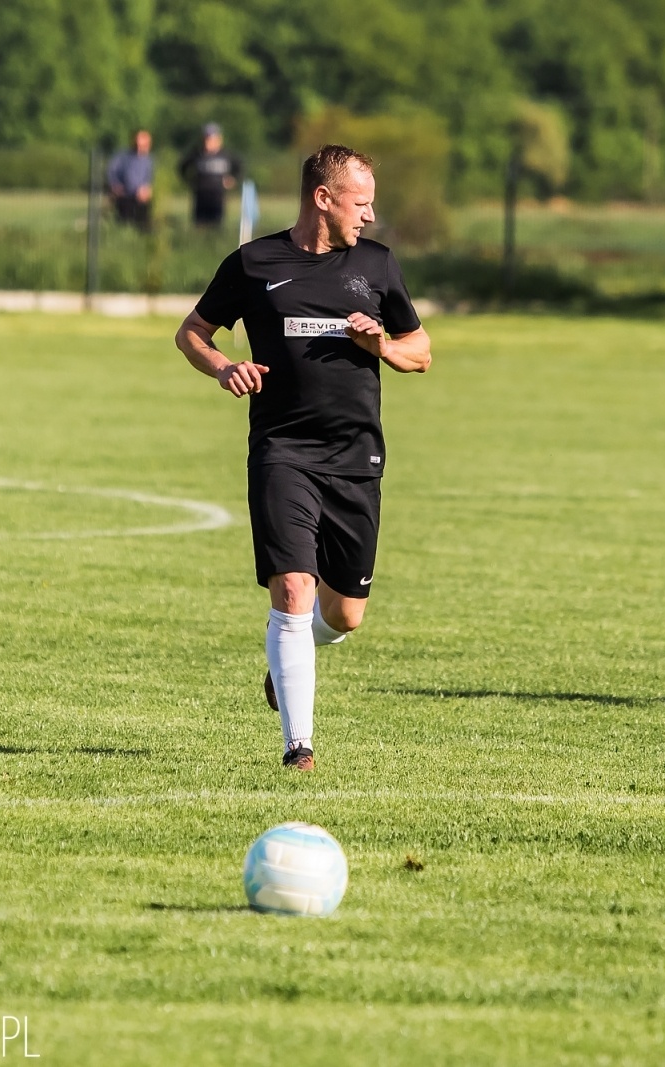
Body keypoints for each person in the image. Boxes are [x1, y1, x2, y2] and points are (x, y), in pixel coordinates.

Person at [173, 145, 432, 771]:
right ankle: (299, 747)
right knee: (292, 588)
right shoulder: (254, 263)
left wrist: (382, 347)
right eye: (361, 203)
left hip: (356, 458)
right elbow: (192, 332)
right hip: (281, 452)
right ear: (324, 198)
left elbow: (420, 349)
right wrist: (224, 368)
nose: (369, 216)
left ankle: (290, 659)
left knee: (344, 614)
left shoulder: (376, 265)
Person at [178, 123, 242, 229]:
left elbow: (239, 167)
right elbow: (182, 167)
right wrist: (191, 181)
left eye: (212, 139)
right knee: (200, 225)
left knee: (216, 225)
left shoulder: (226, 155)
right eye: (207, 139)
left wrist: (232, 179)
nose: (209, 142)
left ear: (219, 139)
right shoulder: (197, 154)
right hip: (201, 195)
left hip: (217, 196)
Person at [107, 129, 155, 230]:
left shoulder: (149, 161)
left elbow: (148, 178)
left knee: (143, 221)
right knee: (124, 222)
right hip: (124, 194)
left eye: (144, 145)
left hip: (140, 197)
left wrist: (146, 188)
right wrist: (115, 185)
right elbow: (111, 172)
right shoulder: (123, 157)